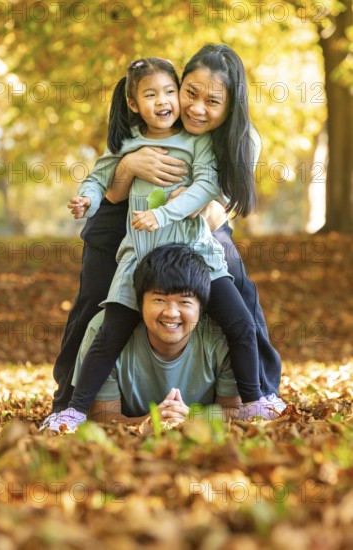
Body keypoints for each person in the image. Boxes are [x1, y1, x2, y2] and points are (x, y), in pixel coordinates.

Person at [41, 54, 284, 433]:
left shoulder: (237, 139)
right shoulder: (139, 131)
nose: (196, 108)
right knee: (96, 303)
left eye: (212, 101)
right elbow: (111, 186)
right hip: (129, 223)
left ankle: (259, 394)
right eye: (190, 93)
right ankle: (69, 405)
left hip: (193, 228)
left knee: (240, 293)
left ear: (231, 103)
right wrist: (129, 165)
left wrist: (191, 205)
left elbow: (217, 206)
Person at [47, 245, 246, 432]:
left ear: (201, 307)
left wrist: (192, 418)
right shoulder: (104, 332)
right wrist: (149, 422)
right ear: (139, 302)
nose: (171, 313)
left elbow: (233, 410)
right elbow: (102, 415)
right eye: (159, 299)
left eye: (184, 302)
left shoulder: (220, 337)